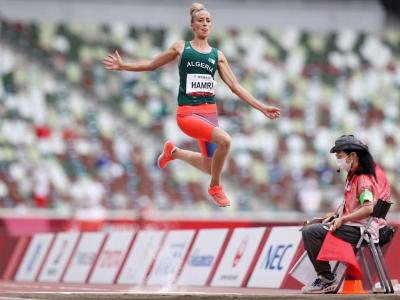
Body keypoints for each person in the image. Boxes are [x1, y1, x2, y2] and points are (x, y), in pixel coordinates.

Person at [103, 3, 280, 207]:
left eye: (208, 21)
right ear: (192, 25)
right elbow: (152, 65)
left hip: (209, 114)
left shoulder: (217, 55)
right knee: (226, 141)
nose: (205, 24)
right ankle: (215, 187)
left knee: (209, 165)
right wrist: (123, 65)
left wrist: (263, 107)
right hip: (188, 115)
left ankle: (173, 152)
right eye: (200, 21)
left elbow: (236, 87)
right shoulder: (181, 47)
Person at [301, 134, 391, 294]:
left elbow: (368, 208)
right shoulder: (353, 177)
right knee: (314, 228)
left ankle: (327, 280)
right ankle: (325, 277)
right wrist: (335, 216)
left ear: (353, 155)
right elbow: (348, 205)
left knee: (311, 232)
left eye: (340, 156)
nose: (338, 161)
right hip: (353, 227)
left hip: (362, 231)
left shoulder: (363, 179)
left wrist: (343, 219)